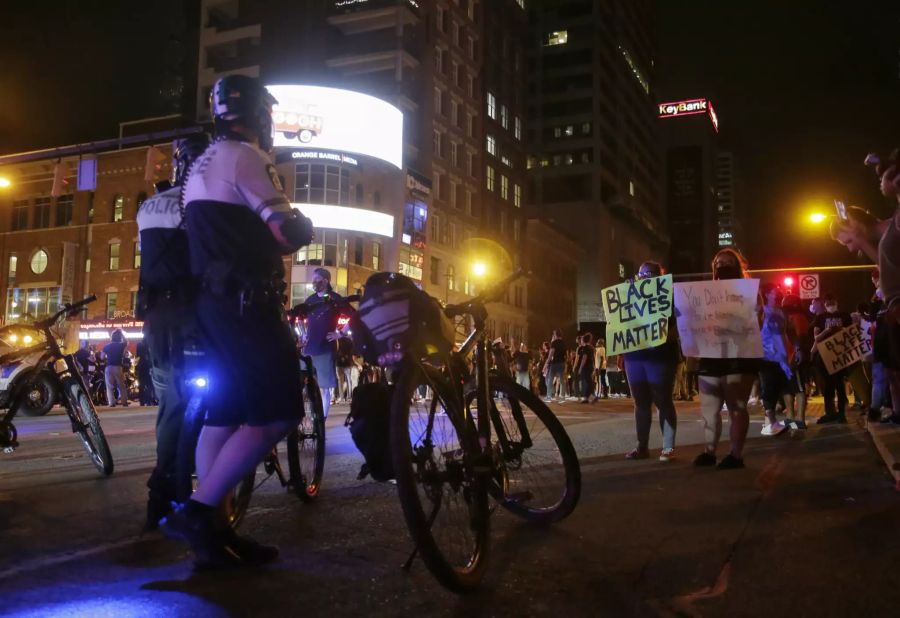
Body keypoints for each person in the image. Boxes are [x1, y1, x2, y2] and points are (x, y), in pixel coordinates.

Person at [160, 75, 314, 568]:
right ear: (260, 116)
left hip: (213, 305)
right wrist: (301, 224)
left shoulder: (202, 162)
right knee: (277, 414)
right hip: (248, 304)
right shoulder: (246, 157)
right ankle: (201, 511)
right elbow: (284, 231)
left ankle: (216, 532)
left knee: (224, 416)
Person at [136, 132, 210, 530]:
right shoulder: (204, 203)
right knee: (230, 388)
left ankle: (160, 493)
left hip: (157, 318)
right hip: (197, 315)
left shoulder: (149, 205)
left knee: (171, 404)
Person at [693, 248, 761, 470]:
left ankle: (735, 454)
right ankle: (709, 451)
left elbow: (758, 317)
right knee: (709, 408)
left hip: (739, 355)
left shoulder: (749, 291)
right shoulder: (704, 292)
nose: (723, 265)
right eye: (718, 262)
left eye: (728, 261)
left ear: (738, 265)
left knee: (736, 405)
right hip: (711, 354)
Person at [622, 261, 679, 462]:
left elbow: (677, 327)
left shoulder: (670, 297)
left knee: (663, 400)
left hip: (661, 357)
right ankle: (642, 446)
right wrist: (626, 294)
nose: (646, 277)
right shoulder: (630, 294)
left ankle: (668, 448)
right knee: (640, 402)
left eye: (651, 274)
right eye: (642, 274)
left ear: (661, 276)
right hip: (635, 356)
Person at [304, 268, 342, 418]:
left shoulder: (335, 299)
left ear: (325, 281)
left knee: (324, 388)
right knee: (303, 383)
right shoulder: (310, 300)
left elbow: (354, 316)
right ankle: (308, 416)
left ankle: (321, 421)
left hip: (325, 349)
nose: (314, 282)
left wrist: (340, 333)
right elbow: (303, 319)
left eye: (317, 279)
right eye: (313, 279)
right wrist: (303, 335)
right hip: (308, 349)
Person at [757, 283, 793, 436]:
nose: (778, 292)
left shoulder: (780, 312)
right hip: (767, 356)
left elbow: (783, 334)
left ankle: (771, 420)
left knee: (780, 385)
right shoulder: (764, 312)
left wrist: (788, 351)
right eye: (774, 290)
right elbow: (776, 335)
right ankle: (772, 422)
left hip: (780, 355)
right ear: (767, 295)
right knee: (769, 386)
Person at [812, 293, 853, 424]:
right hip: (825, 355)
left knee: (840, 385)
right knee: (827, 385)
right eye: (828, 303)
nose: (830, 305)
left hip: (839, 354)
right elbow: (817, 338)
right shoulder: (820, 318)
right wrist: (827, 331)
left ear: (836, 302)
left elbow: (851, 333)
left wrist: (842, 329)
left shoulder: (845, 316)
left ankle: (841, 414)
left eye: (832, 302)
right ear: (825, 304)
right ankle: (830, 413)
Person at [782, 294, 811, 429]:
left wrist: (798, 352)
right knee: (789, 388)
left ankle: (798, 418)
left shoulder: (797, 317)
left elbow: (801, 335)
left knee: (797, 388)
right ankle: (792, 417)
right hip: (786, 357)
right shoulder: (790, 317)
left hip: (792, 357)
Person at [103, 329, 129, 407]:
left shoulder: (107, 346)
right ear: (119, 337)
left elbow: (101, 356)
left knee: (109, 386)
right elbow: (126, 341)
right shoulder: (121, 345)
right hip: (118, 367)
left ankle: (111, 403)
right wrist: (121, 333)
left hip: (108, 367)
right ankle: (124, 402)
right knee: (121, 385)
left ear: (112, 337)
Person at [544, 329, 567, 403]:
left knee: (550, 380)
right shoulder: (564, 343)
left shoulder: (554, 343)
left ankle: (549, 396)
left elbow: (551, 354)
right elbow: (565, 355)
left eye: (554, 334)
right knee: (562, 380)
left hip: (555, 363)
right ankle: (563, 396)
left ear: (556, 334)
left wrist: (547, 363)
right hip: (562, 363)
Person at [575, 333, 595, 403]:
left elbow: (584, 358)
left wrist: (580, 368)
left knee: (588, 382)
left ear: (584, 340)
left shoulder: (586, 348)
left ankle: (588, 397)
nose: (581, 340)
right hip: (590, 366)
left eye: (582, 339)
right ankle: (591, 397)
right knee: (589, 382)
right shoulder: (591, 347)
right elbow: (593, 358)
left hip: (586, 367)